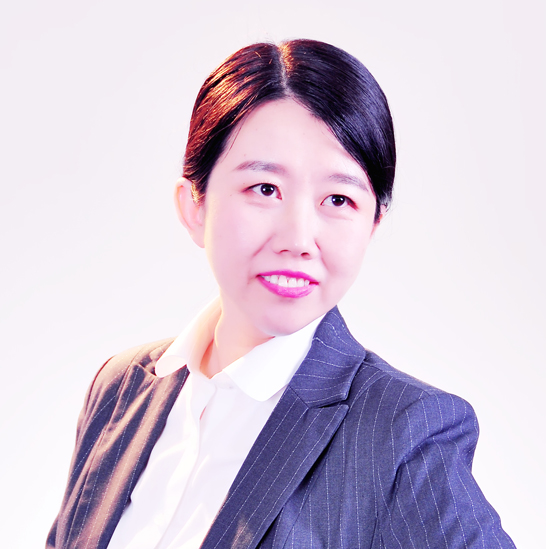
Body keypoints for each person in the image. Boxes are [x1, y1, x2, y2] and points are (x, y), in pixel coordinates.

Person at [47, 39, 516, 549]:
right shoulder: (120, 388)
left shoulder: (404, 433)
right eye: (265, 189)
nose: (298, 239)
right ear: (194, 205)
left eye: (338, 199)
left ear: (372, 225)